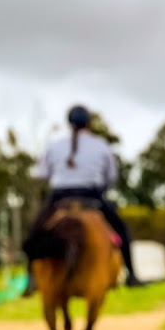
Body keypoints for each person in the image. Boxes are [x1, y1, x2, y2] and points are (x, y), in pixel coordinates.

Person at [22, 105, 143, 296]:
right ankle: (131, 274)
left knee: (35, 233)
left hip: (60, 197)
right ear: (89, 123)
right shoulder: (101, 145)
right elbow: (111, 177)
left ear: (69, 124)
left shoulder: (54, 146)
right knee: (122, 231)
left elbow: (42, 173)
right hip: (91, 196)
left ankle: (31, 278)